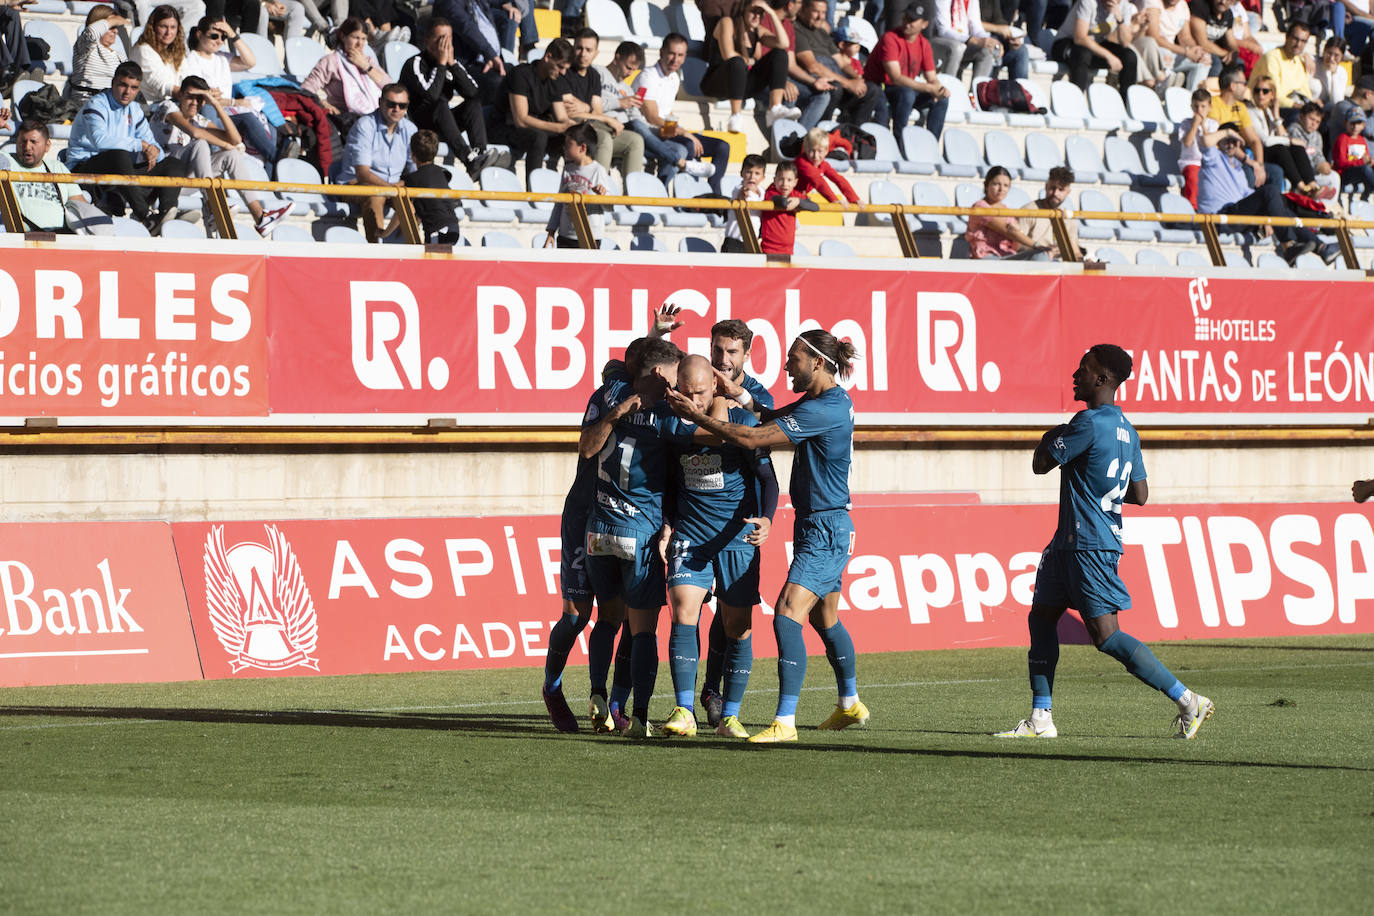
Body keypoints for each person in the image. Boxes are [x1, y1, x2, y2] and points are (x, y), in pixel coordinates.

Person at [994, 345, 1214, 741]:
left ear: (1101, 379)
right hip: (1070, 542)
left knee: (1106, 635)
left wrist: (1051, 435)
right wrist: (1101, 485)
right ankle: (1041, 719)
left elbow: (1041, 464)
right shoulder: (1127, 431)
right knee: (1041, 618)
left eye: (1083, 369)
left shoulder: (1087, 422)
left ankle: (1187, 699)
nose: (1075, 375)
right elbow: (1141, 493)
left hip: (1089, 544)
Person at [668, 329, 868, 744]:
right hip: (821, 522)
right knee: (824, 617)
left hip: (825, 526)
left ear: (816, 362)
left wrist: (698, 415)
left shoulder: (824, 409)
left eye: (793, 359)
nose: (785, 367)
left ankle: (785, 722)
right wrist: (736, 393)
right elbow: (768, 415)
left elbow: (753, 436)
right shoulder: (827, 401)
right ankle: (849, 703)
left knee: (785, 615)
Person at [659, 355, 779, 740]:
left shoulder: (745, 424)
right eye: (686, 392)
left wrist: (768, 518)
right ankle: (683, 709)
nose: (692, 401)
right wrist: (666, 525)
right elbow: (666, 476)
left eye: (699, 393)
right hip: (691, 533)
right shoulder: (671, 418)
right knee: (683, 612)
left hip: (735, 537)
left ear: (715, 385)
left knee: (737, 627)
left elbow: (768, 479)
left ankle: (730, 716)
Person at [582, 337, 688, 738]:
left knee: (607, 619)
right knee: (643, 631)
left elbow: (617, 364)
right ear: (661, 374)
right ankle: (640, 717)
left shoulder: (612, 393)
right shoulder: (667, 414)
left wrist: (654, 336)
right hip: (638, 534)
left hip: (599, 530)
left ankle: (597, 692)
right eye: (676, 375)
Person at [695, 319, 776, 724]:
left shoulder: (758, 396)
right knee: (692, 609)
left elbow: (770, 429)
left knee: (732, 615)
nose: (722, 359)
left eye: (731, 352)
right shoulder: (696, 384)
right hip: (696, 521)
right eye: (717, 350)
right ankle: (698, 693)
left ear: (747, 354)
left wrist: (767, 517)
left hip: (741, 523)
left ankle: (717, 696)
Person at [151, 76, 295, 236]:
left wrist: (216, 104)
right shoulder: (168, 106)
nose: (194, 103)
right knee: (201, 144)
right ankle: (212, 206)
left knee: (231, 154)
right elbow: (195, 133)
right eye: (190, 97)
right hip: (164, 180)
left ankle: (260, 217)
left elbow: (235, 139)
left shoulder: (198, 118)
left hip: (187, 181)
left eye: (200, 99)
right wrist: (226, 145)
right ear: (180, 95)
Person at [67, 60, 190, 232]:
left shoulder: (135, 110)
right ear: (113, 83)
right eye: (123, 85)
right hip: (84, 170)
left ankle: (166, 214)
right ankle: (145, 217)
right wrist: (140, 145)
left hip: (121, 170)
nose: (127, 92)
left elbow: (152, 145)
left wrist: (154, 152)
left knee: (173, 163)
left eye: (133, 88)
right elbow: (100, 141)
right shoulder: (96, 104)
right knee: (120, 155)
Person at [1197, 124, 1333, 264]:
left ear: (1239, 143)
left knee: (1281, 208)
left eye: (1234, 141)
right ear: (1220, 141)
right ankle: (1288, 245)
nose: (1231, 145)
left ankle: (1322, 248)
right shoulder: (1213, 159)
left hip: (1236, 216)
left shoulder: (1239, 168)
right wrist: (1228, 132)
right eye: (1227, 140)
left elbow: (1247, 197)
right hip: (1217, 217)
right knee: (1270, 190)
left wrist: (1268, 218)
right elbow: (1206, 141)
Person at [399, 16, 498, 180]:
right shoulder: (415, 63)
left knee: (472, 104)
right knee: (440, 103)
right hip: (420, 126)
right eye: (440, 39)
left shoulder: (452, 63)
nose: (445, 44)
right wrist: (441, 64)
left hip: (444, 125)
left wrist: (451, 64)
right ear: (427, 40)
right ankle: (469, 159)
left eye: (449, 39)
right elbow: (431, 95)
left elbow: (473, 92)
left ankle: (480, 153)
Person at [632, 34, 732, 193]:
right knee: (688, 145)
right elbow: (651, 117)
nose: (675, 59)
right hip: (651, 133)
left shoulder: (674, 78)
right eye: (671, 53)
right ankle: (688, 196)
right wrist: (684, 132)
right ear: (661, 53)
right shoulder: (648, 76)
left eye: (680, 55)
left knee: (722, 147)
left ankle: (713, 195)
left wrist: (681, 129)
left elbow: (667, 112)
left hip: (668, 131)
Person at [181, 16, 279, 172]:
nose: (219, 41)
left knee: (262, 125)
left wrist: (233, 35)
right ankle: (215, 156)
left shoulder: (222, 58)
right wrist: (234, 102)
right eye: (214, 36)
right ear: (199, 35)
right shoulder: (191, 60)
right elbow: (201, 98)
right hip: (207, 112)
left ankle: (276, 167)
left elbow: (250, 62)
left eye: (223, 37)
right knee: (212, 109)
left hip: (225, 113)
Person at [555, 28, 644, 177]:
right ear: (573, 48)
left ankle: (631, 199)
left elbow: (597, 111)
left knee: (635, 141)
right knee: (603, 138)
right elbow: (570, 112)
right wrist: (605, 118)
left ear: (596, 53)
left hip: (591, 126)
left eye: (588, 50)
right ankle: (597, 193)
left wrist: (586, 108)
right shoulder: (565, 71)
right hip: (573, 129)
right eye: (579, 48)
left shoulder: (594, 75)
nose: (583, 54)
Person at [703, 0, 798, 133]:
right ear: (743, 10)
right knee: (737, 62)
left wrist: (771, 12)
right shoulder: (727, 22)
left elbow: (783, 43)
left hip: (741, 86)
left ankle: (775, 108)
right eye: (753, 12)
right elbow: (728, 55)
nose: (756, 17)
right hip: (718, 83)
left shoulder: (757, 31)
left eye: (760, 14)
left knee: (780, 54)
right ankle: (735, 115)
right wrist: (753, 61)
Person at [336, 82, 416, 242]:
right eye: (391, 104)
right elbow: (362, 173)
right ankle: (377, 250)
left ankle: (409, 250)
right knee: (376, 196)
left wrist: (401, 188)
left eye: (402, 105)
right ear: (380, 103)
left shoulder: (410, 128)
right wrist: (393, 190)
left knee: (417, 201)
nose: (397, 109)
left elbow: (415, 170)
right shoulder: (365, 125)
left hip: (391, 187)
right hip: (354, 185)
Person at [490, 37, 576, 178]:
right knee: (539, 137)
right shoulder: (520, 74)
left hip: (531, 130)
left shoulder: (555, 79)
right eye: (560, 67)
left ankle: (574, 186)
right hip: (503, 127)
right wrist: (559, 128)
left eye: (566, 69)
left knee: (576, 138)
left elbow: (562, 118)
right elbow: (521, 120)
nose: (563, 73)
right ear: (548, 57)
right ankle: (533, 193)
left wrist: (573, 128)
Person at [0, 120, 106, 233]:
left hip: (62, 237)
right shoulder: (6, 161)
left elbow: (81, 205)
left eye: (33, 142)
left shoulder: (57, 168)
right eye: (23, 141)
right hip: (23, 238)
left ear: (47, 146)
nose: (27, 147)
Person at [863, 4, 950, 140]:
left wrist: (939, 89)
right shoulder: (890, 38)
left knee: (941, 100)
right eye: (906, 18)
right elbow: (895, 77)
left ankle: (932, 144)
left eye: (912, 20)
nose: (907, 23)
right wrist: (928, 87)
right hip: (882, 87)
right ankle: (900, 141)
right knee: (907, 94)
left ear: (924, 24)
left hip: (902, 89)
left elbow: (932, 77)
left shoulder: (924, 44)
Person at [793, 0, 886, 126]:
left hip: (838, 79)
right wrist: (847, 83)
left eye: (823, 13)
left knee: (871, 90)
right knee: (835, 88)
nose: (820, 17)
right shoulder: (797, 30)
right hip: (819, 81)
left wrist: (858, 79)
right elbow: (812, 66)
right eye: (816, 12)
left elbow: (841, 63)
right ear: (803, 10)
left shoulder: (821, 32)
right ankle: (822, 132)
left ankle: (854, 135)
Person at [301, 17, 390, 135]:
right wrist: (324, 103)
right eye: (355, 38)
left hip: (377, 115)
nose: (360, 44)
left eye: (363, 39)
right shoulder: (331, 61)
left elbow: (390, 88)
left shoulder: (368, 61)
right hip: (347, 120)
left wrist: (366, 67)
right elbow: (307, 88)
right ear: (343, 37)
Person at [765, 0, 842, 129]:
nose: (801, 8)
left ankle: (801, 140)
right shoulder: (764, 21)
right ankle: (782, 143)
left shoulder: (788, 25)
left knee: (823, 95)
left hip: (780, 78)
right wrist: (781, 83)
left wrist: (814, 82)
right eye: (800, 3)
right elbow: (758, 60)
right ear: (790, 4)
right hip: (763, 79)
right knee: (790, 96)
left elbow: (791, 66)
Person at [1248, 75, 1319, 194]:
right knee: (1281, 149)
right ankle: (1301, 187)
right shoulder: (1250, 111)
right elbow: (1265, 140)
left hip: (1270, 149)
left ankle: (1312, 184)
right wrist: (1289, 141)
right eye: (1257, 90)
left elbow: (1284, 136)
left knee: (1297, 148)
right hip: (1258, 151)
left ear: (1272, 94)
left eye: (1265, 91)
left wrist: (1276, 117)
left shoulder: (1269, 112)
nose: (1261, 94)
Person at [543, 122, 609, 248]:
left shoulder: (598, 170)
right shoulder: (568, 169)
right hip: (565, 235)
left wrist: (602, 194)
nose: (564, 148)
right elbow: (559, 203)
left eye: (568, 144)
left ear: (582, 148)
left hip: (590, 237)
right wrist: (551, 232)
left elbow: (609, 205)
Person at [1051, 0, 1138, 95]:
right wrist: (1108, 56)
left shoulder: (1124, 6)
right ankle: (1076, 100)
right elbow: (1080, 38)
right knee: (1083, 54)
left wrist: (1120, 20)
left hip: (1094, 45)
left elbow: (1125, 42)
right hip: (1065, 43)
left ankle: (1126, 103)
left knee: (1129, 56)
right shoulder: (1088, 2)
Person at [930, 0, 1024, 80]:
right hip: (937, 41)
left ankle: (978, 94)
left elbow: (976, 26)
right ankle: (948, 91)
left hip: (963, 40)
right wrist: (972, 40)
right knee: (957, 48)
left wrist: (989, 41)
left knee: (987, 50)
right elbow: (944, 31)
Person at [966, 166, 1044, 258]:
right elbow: (1008, 231)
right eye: (996, 184)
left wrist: (1018, 233)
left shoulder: (1006, 210)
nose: (1001, 189)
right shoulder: (980, 206)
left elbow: (1016, 245)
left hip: (1005, 254)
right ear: (986, 185)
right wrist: (1037, 245)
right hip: (986, 255)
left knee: (1041, 256)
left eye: (1006, 185)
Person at [402, 129, 463, 244]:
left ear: (412, 155)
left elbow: (403, 209)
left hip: (438, 229)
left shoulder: (413, 179)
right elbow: (430, 205)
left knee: (433, 260)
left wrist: (385, 233)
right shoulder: (441, 172)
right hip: (453, 225)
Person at [1132, 0, 1208, 92]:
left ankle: (1194, 99)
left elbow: (1185, 37)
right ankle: (1161, 87)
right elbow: (1154, 37)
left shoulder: (1182, 6)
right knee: (1166, 53)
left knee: (1203, 62)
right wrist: (1186, 52)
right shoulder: (1152, 2)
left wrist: (1197, 51)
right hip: (1152, 48)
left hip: (1172, 51)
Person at [1210, 64, 1267, 187]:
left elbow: (1254, 140)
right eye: (1244, 83)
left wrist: (1260, 166)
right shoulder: (1213, 105)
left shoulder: (1241, 107)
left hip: (1240, 156)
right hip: (1222, 156)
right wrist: (1251, 163)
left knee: (1276, 172)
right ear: (1233, 86)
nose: (1246, 88)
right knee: (1249, 176)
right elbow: (1221, 143)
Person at [1247, 20, 1314, 117]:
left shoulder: (1298, 61)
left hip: (1291, 105)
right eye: (1295, 39)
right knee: (1298, 115)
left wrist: (1312, 106)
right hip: (1267, 106)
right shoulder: (1272, 57)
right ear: (1287, 37)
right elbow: (1274, 94)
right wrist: (1295, 105)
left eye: (1303, 41)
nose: (1298, 44)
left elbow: (1305, 91)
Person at [69, 5, 130, 108]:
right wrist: (114, 19)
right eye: (111, 27)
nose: (115, 31)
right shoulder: (85, 48)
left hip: (113, 106)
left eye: (116, 27)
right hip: (88, 105)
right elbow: (91, 32)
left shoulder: (120, 57)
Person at [1017, 165, 1081, 258]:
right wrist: (1042, 249)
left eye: (1061, 190)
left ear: (1068, 192)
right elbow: (1016, 245)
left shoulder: (1068, 216)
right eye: (1052, 188)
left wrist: (1084, 261)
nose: (1055, 193)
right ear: (1046, 187)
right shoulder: (1028, 210)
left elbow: (1075, 251)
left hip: (1057, 266)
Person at [759, 160, 820, 254]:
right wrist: (797, 202)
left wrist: (799, 201)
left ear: (795, 182)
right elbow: (783, 203)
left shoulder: (794, 194)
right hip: (769, 249)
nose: (784, 184)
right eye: (781, 179)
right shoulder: (771, 192)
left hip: (789, 250)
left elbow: (815, 207)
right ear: (774, 180)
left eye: (789, 180)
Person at [133, 5, 189, 102]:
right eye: (163, 26)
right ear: (153, 27)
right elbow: (159, 85)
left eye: (173, 27)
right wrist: (189, 94)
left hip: (178, 101)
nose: (168, 32)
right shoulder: (143, 50)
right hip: (152, 106)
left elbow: (186, 77)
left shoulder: (177, 50)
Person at [1287, 100, 1341, 196]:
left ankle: (1327, 206)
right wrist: (1317, 166)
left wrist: (1323, 164)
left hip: (1315, 172)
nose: (1314, 124)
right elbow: (1299, 158)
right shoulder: (1294, 130)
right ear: (1300, 117)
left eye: (1317, 122)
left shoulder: (1317, 136)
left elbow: (1318, 154)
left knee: (1334, 176)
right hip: (1301, 174)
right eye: (1311, 119)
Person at [795, 126, 861, 204]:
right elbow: (818, 182)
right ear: (805, 149)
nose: (816, 156)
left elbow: (838, 179)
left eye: (820, 151)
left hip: (796, 197)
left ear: (826, 151)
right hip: (785, 196)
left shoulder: (823, 164)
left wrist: (854, 199)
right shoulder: (802, 162)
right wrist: (834, 200)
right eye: (811, 151)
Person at [1177, 87, 1216, 206]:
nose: (1199, 110)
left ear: (1209, 107)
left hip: (1207, 163)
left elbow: (1209, 144)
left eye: (1203, 106)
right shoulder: (1185, 123)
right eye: (1196, 106)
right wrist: (1194, 126)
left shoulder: (1213, 124)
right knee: (1193, 178)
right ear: (1191, 107)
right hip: (1190, 162)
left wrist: (1203, 126)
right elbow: (1187, 143)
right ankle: (1192, 207)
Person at [723, 153, 768, 252]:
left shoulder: (764, 194)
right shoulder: (738, 189)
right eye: (748, 172)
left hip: (752, 243)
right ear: (741, 173)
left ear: (763, 177)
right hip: (733, 243)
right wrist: (743, 193)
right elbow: (740, 194)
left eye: (757, 173)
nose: (752, 176)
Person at [1327, 75, 1374, 155]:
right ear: (1368, 94)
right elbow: (1367, 131)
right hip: (1349, 163)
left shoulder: (1369, 112)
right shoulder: (1343, 107)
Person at [1333, 109, 1374, 198]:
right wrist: (1361, 162)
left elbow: (1365, 157)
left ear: (1363, 125)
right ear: (1345, 123)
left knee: (1367, 168)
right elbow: (1341, 163)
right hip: (1344, 174)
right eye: (1352, 123)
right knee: (1365, 169)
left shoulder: (1362, 139)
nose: (1355, 127)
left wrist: (1370, 161)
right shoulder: (1342, 138)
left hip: (1360, 172)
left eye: (1358, 123)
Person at [1312, 36, 1348, 109]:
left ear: (1342, 57)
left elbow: (1337, 102)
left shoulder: (1341, 72)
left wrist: (1334, 74)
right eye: (1329, 53)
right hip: (1309, 104)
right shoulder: (1313, 62)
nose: (1331, 58)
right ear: (1324, 51)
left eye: (1336, 55)